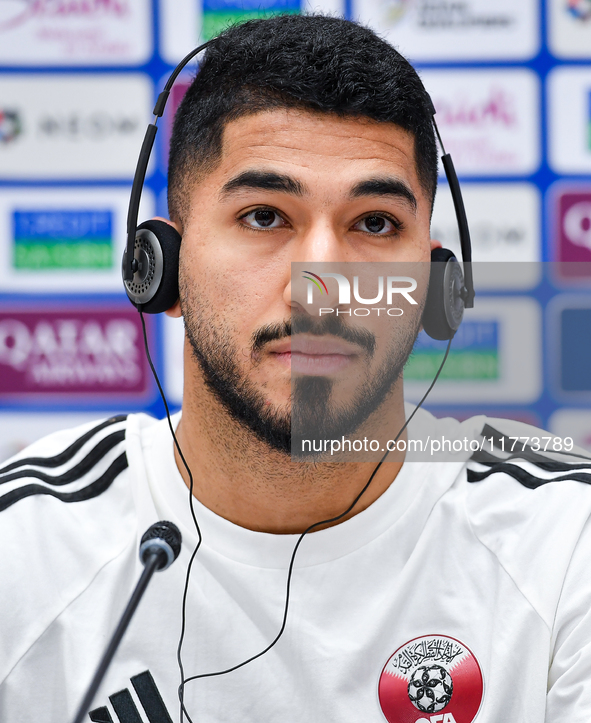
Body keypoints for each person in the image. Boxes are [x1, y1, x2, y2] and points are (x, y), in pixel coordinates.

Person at [1, 14, 590, 723]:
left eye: (373, 223)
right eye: (263, 216)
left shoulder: (566, 542)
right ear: (162, 267)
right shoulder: (22, 551)